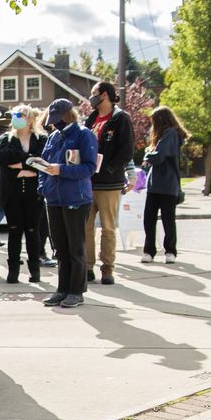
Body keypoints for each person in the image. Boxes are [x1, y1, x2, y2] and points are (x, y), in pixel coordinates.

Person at [38, 98, 98, 309]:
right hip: (54, 199)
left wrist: (62, 169)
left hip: (76, 199)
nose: (54, 124)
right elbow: (43, 165)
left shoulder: (84, 135)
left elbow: (89, 168)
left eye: (57, 119)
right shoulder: (53, 137)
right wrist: (43, 186)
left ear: (67, 116)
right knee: (60, 248)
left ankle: (76, 290)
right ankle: (62, 289)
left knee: (75, 247)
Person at [83, 81, 134, 285]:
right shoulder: (91, 119)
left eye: (94, 93)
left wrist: (112, 169)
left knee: (108, 227)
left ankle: (107, 268)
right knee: (86, 227)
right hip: (88, 181)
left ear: (104, 95)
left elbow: (126, 149)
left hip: (109, 183)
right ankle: (87, 266)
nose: (91, 97)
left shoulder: (121, 119)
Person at [0, 104, 48, 284]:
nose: (18, 117)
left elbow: (43, 163)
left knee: (32, 231)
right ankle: (13, 270)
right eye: (16, 115)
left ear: (30, 119)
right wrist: (30, 163)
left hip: (34, 193)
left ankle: (34, 269)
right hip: (12, 193)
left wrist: (20, 165)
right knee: (15, 230)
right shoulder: (5, 139)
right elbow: (4, 159)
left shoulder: (41, 139)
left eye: (22, 115)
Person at [142, 105, 189, 264]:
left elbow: (159, 156)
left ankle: (162, 251)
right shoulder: (170, 135)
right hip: (163, 184)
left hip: (163, 184)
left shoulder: (169, 134)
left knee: (157, 219)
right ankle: (164, 251)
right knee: (160, 219)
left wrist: (148, 154)